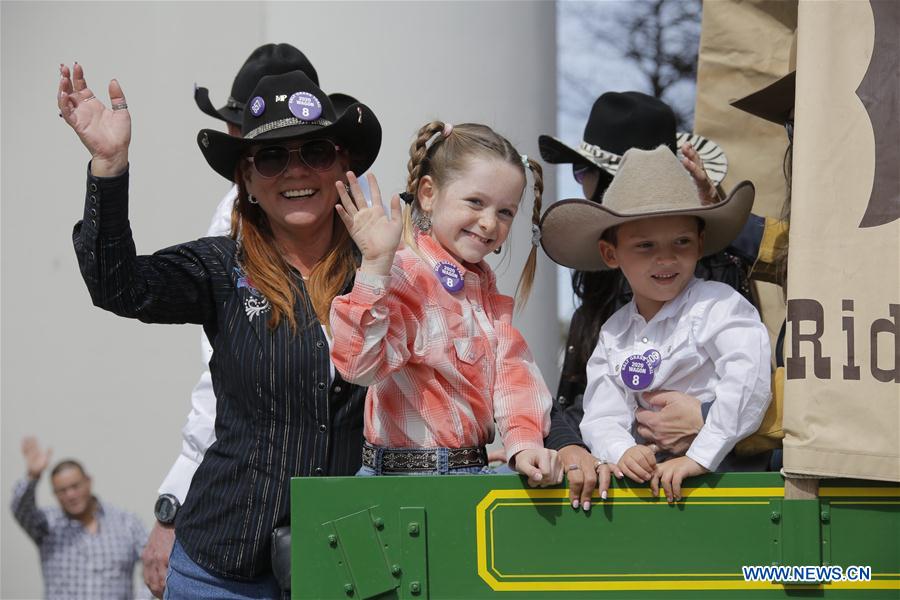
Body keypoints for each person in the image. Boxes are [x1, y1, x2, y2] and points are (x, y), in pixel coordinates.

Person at [60, 64, 380, 597]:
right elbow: (118, 286)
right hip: (221, 568)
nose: (296, 172)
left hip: (351, 563)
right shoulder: (220, 267)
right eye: (272, 158)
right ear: (248, 182)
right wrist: (109, 167)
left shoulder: (384, 268)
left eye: (316, 152)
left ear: (342, 165)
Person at [142, 43, 353, 598]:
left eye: (311, 148)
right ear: (244, 158)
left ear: (337, 154)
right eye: (266, 149)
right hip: (237, 543)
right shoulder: (233, 233)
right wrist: (174, 501)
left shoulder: (373, 236)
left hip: (349, 540)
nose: (292, 165)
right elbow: (224, 381)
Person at [537, 91, 768, 511]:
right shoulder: (614, 325)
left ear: (698, 244)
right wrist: (618, 449)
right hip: (648, 484)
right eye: (645, 246)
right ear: (612, 252)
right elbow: (600, 408)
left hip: (725, 481)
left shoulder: (718, 299)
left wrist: (700, 446)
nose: (665, 258)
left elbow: (750, 378)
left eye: (680, 242)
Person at [329, 121, 561, 483]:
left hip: (466, 473)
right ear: (427, 193)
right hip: (399, 481)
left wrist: (525, 441)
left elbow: (511, 372)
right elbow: (359, 367)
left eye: (505, 212)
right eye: (475, 202)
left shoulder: (482, 286)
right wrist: (374, 265)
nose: (488, 223)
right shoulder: (405, 270)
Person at [11, 437, 148, 600]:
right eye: (62, 490)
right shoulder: (47, 524)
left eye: (75, 486)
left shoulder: (127, 523)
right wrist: (33, 476)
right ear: (55, 494)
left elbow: (155, 565)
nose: (70, 495)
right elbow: (21, 509)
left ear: (88, 482)